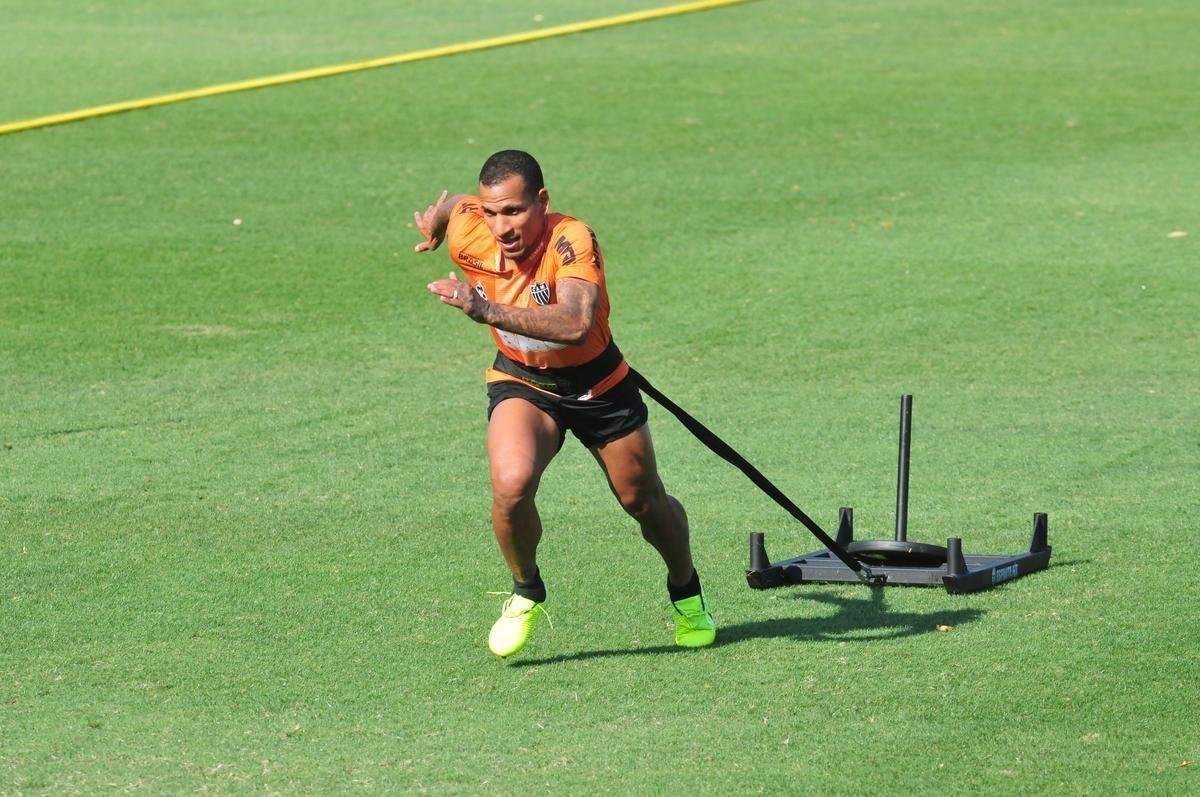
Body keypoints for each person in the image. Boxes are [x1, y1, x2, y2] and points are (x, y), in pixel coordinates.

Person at [413, 149, 716, 657]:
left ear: (542, 202)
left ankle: (686, 591)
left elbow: (575, 323)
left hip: (599, 386)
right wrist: (437, 223)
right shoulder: (474, 225)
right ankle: (526, 589)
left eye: (514, 211)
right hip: (523, 383)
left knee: (643, 503)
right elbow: (459, 204)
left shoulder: (570, 238)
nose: (501, 225)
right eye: (493, 213)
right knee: (510, 486)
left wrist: (484, 308)